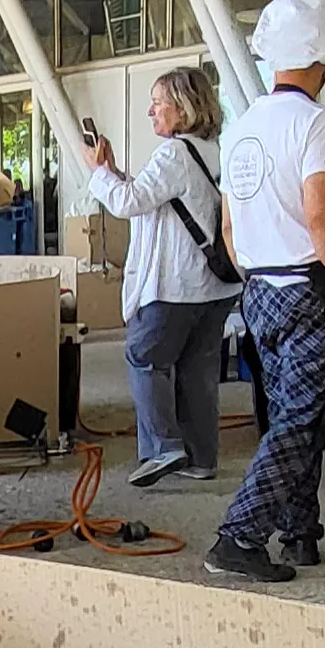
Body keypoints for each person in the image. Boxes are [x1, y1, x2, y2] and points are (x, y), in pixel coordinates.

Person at [206, 0, 325, 584]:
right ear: (323, 62)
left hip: (260, 291)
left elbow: (229, 227)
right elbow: (322, 216)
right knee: (301, 421)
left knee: (290, 410)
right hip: (311, 291)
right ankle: (239, 536)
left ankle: (300, 533)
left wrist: (259, 275)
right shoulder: (317, 123)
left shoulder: (244, 129)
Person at [82, 65, 245, 490]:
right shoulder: (211, 149)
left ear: (183, 107)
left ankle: (164, 446)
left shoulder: (174, 153)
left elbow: (129, 203)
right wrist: (115, 171)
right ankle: (201, 457)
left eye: (157, 103)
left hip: (176, 284)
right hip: (216, 285)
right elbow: (156, 199)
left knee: (145, 358)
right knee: (197, 371)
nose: (151, 112)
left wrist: (98, 172)